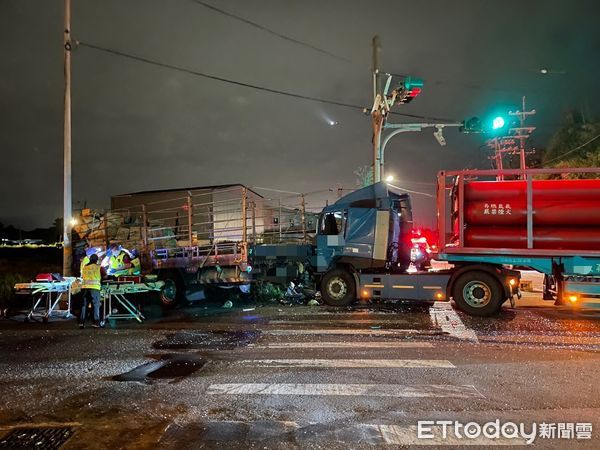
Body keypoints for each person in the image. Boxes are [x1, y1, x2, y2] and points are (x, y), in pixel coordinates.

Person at [80, 253, 102, 328]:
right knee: (96, 305)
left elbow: (83, 276)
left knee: (84, 305)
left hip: (84, 288)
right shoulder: (98, 267)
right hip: (94, 288)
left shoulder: (85, 267)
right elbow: (104, 275)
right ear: (96, 260)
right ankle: (96, 322)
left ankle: (81, 322)